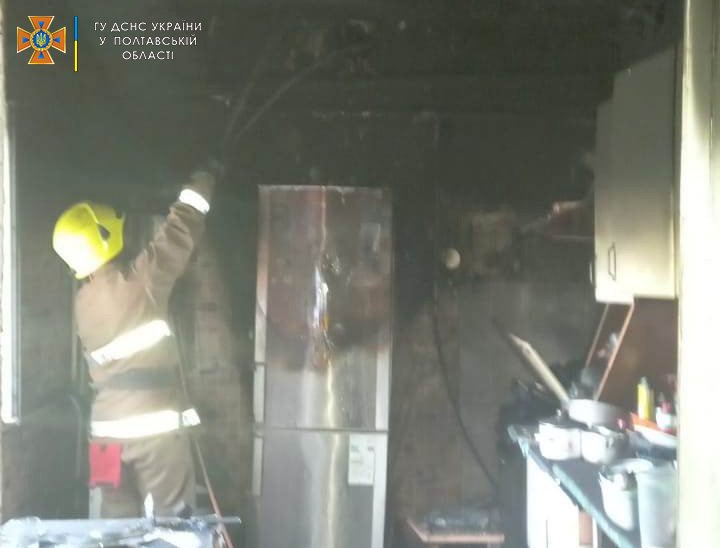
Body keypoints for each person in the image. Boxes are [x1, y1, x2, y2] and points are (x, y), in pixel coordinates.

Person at [52, 169, 216, 518]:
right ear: (106, 235)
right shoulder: (140, 283)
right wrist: (203, 181)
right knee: (173, 528)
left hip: (104, 436)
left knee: (115, 525)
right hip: (154, 433)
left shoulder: (83, 303)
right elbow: (179, 233)